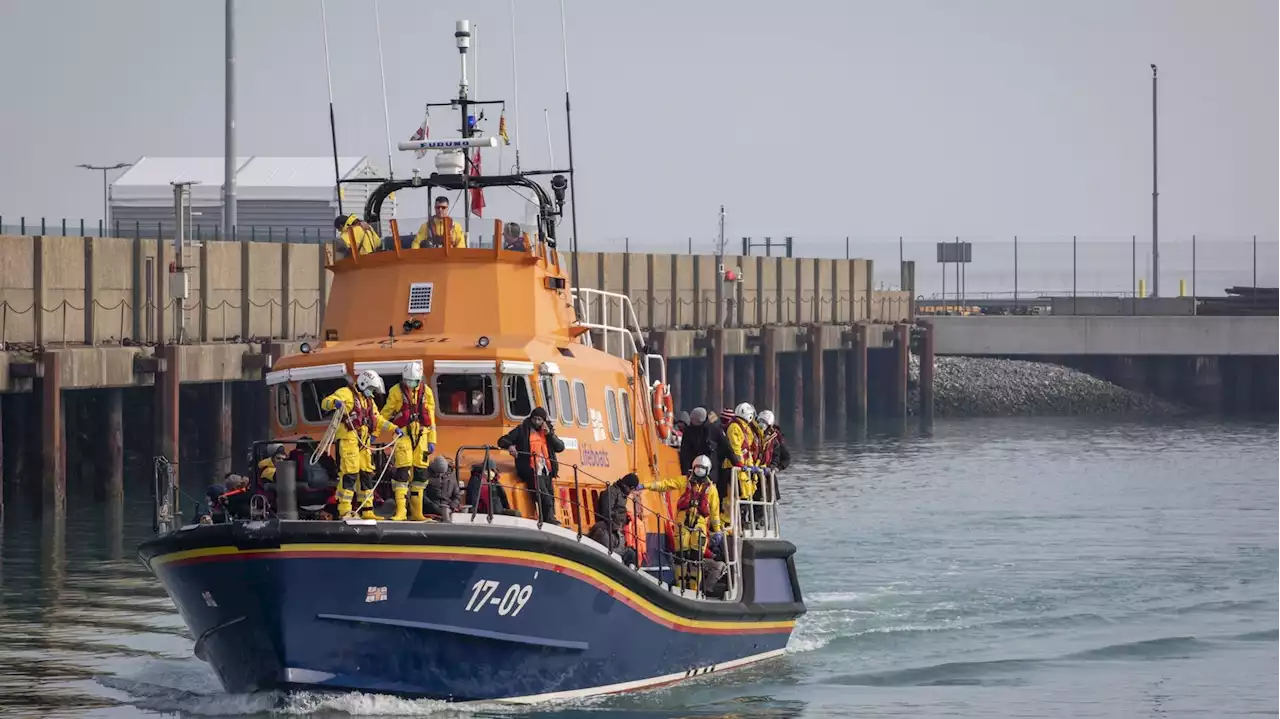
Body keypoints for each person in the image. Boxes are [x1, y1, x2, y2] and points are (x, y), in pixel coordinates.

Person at [321, 370, 399, 519]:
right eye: (372, 390)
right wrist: (334, 403)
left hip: (363, 442)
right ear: (363, 384)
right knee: (350, 474)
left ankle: (367, 510)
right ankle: (345, 510)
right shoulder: (346, 393)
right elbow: (325, 403)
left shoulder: (368, 401)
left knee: (366, 474)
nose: (373, 393)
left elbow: (378, 419)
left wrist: (394, 428)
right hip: (349, 440)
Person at [640, 455, 722, 592]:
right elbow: (666, 484)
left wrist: (717, 530)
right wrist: (646, 486)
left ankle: (694, 589)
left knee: (696, 559)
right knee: (681, 556)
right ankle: (680, 586)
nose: (699, 471)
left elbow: (715, 512)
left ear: (707, 470)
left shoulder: (712, 490)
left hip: (699, 526)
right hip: (682, 524)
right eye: (698, 468)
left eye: (702, 468)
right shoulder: (684, 481)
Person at [380, 361, 438, 521]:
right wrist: (376, 430)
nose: (411, 384)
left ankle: (417, 513)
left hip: (422, 437)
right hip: (403, 436)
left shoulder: (427, 392)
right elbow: (385, 413)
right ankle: (401, 512)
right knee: (402, 472)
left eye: (414, 381)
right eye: (409, 381)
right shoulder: (395, 392)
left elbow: (431, 418)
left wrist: (432, 440)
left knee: (420, 474)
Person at [497, 407, 564, 524]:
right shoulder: (522, 430)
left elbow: (560, 447)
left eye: (540, 420)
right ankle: (548, 519)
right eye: (535, 419)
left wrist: (550, 435)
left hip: (546, 469)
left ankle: (550, 517)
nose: (537, 422)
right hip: (531, 468)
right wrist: (510, 446)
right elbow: (502, 441)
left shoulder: (548, 431)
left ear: (544, 421)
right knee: (543, 495)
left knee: (550, 494)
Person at [587, 473, 642, 566]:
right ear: (629, 486)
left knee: (632, 554)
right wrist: (619, 519)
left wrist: (624, 519)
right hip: (608, 529)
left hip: (615, 531)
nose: (630, 492)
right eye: (632, 489)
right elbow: (607, 512)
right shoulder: (611, 492)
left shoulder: (622, 494)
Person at [722, 402, 761, 527]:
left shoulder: (746, 427)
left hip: (743, 470)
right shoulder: (735, 427)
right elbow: (736, 448)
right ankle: (728, 523)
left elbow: (748, 450)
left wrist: (751, 466)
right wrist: (740, 464)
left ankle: (741, 520)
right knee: (732, 498)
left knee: (744, 496)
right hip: (733, 468)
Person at [679, 407, 727, 475]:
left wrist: (736, 462)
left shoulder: (714, 429)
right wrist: (684, 471)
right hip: (694, 467)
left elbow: (726, 445)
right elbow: (684, 452)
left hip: (711, 466)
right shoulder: (689, 431)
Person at [421, 455, 460, 521]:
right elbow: (422, 496)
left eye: (441, 473)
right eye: (437, 473)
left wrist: (453, 505)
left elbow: (457, 496)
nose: (439, 475)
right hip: (430, 509)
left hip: (448, 509)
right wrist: (434, 507)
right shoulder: (426, 476)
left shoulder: (452, 478)